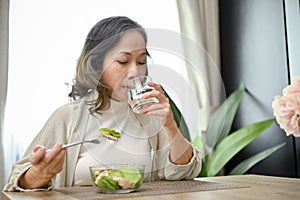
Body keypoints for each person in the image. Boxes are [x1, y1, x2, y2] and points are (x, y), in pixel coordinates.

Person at [3, 16, 201, 191]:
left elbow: (184, 171)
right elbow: (16, 180)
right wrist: (38, 175)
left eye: (141, 62)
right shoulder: (68, 117)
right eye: (123, 61)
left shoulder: (148, 116)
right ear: (97, 65)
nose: (135, 72)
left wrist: (170, 126)